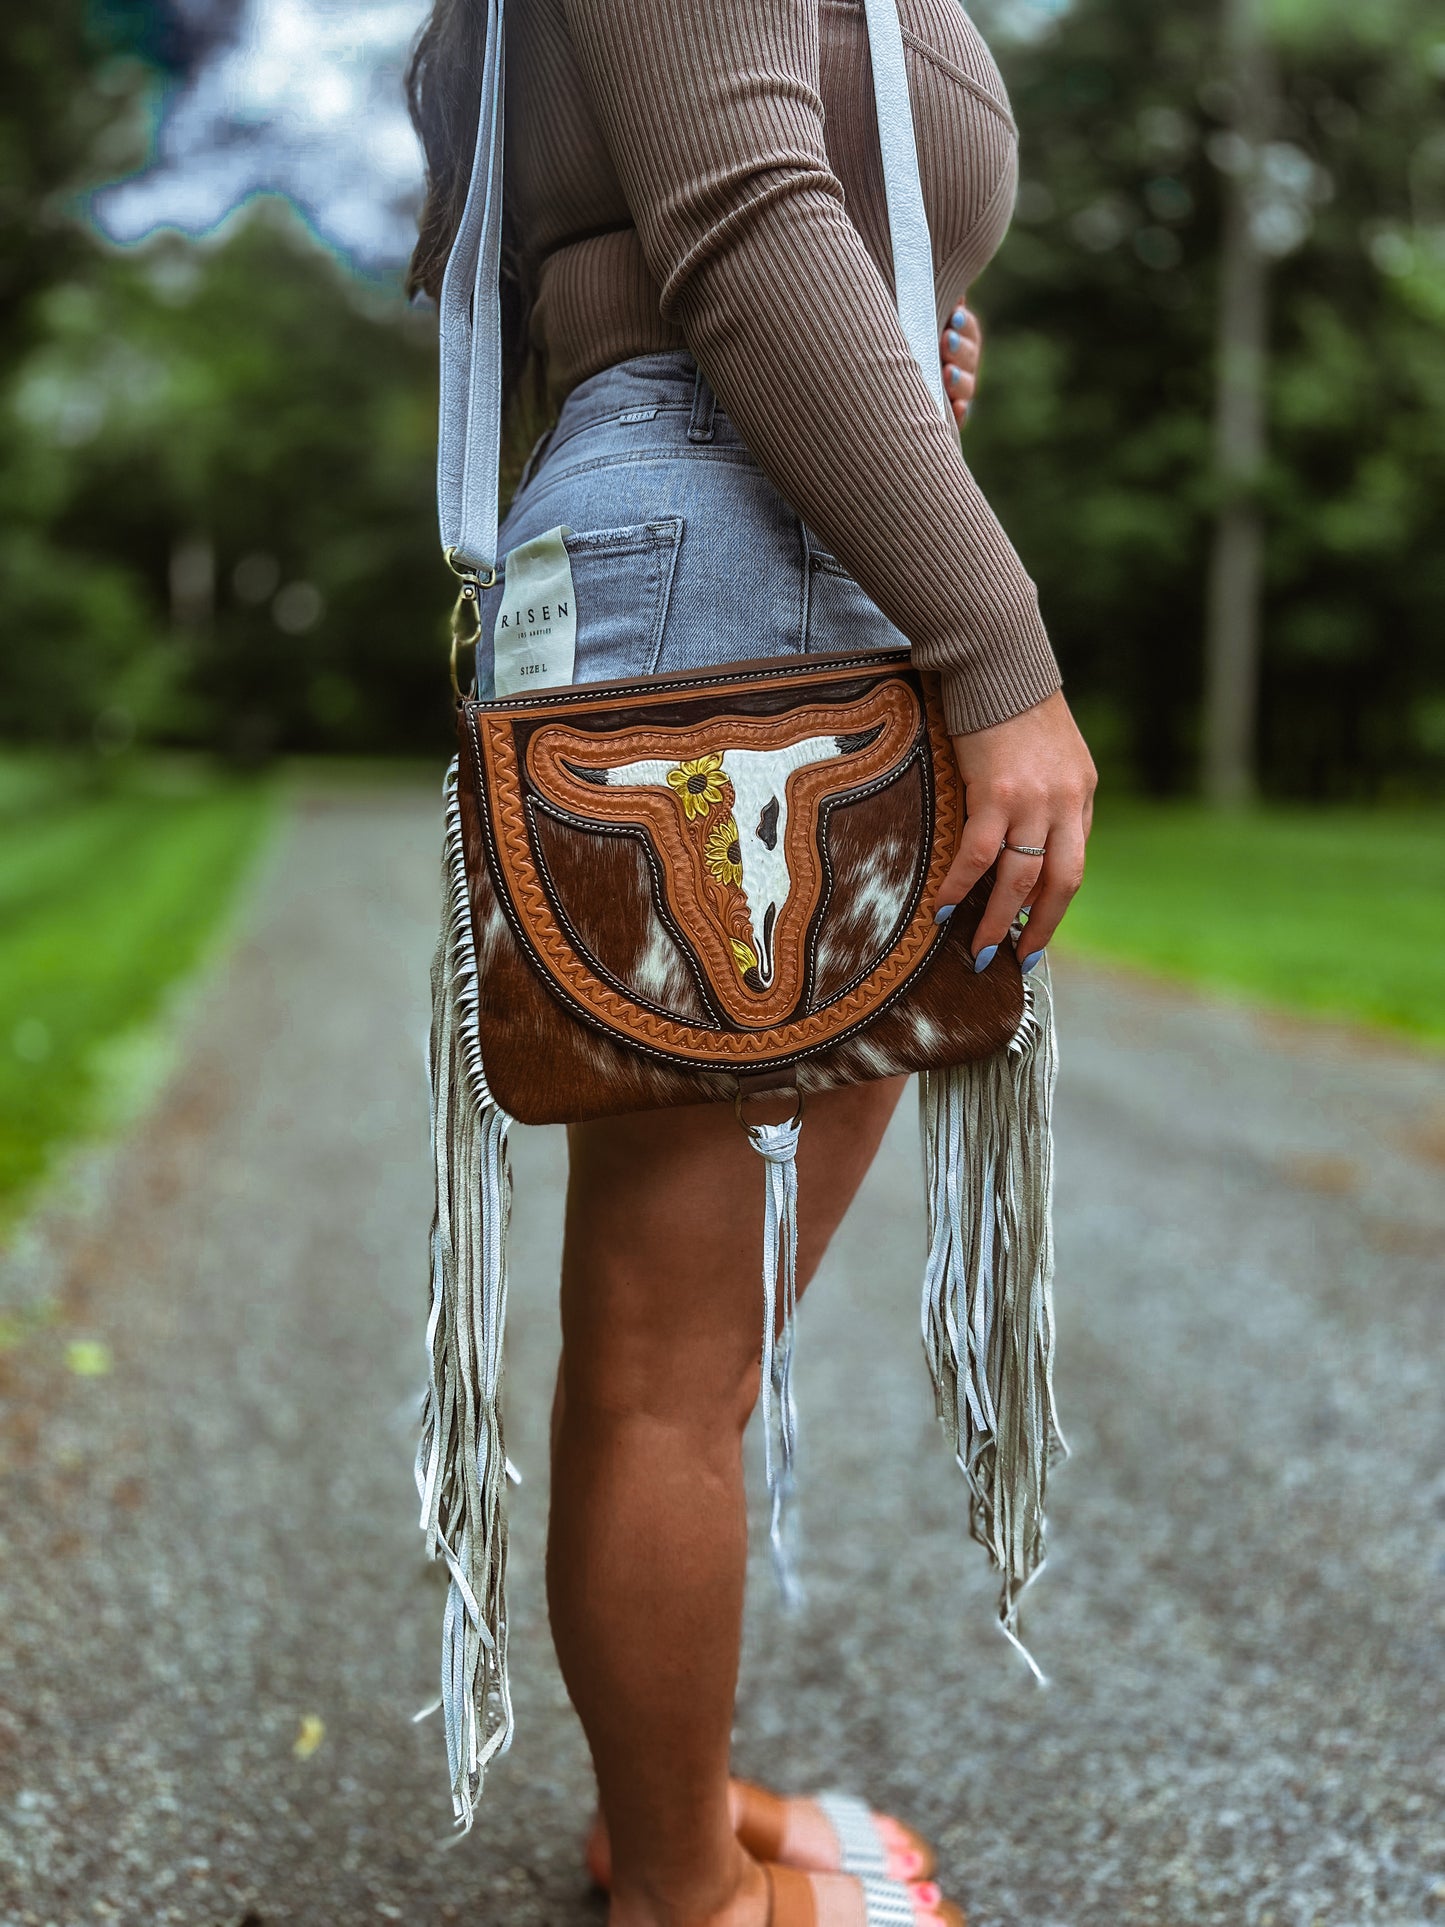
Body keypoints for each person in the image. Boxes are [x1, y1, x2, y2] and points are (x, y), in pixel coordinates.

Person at [406, 0, 1097, 1921]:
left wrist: (900, 344)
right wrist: (998, 651)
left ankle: (673, 1810)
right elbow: (740, 224)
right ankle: (688, 1902)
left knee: (674, 1354)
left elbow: (574, 237)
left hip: (721, 535)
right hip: (751, 554)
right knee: (670, 1363)